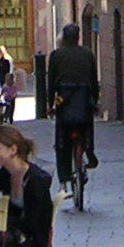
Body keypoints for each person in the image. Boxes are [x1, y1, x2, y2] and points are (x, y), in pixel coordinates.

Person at [0, 124, 55, 247]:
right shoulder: (6, 173)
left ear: (12, 150)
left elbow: (31, 222)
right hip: (14, 234)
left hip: (32, 241)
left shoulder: (35, 179)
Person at [48, 23, 100, 183]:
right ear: (78, 37)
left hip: (63, 99)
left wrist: (50, 105)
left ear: (64, 38)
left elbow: (50, 83)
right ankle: (89, 153)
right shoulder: (88, 54)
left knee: (61, 138)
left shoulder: (56, 55)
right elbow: (93, 80)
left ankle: (64, 175)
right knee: (87, 127)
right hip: (84, 99)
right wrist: (95, 101)